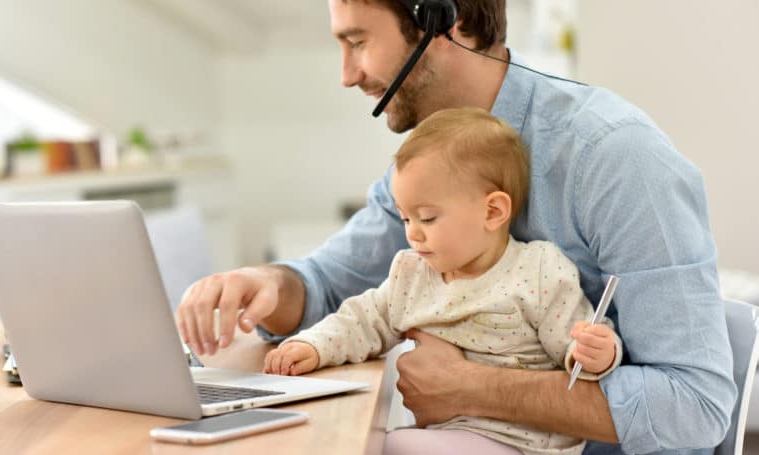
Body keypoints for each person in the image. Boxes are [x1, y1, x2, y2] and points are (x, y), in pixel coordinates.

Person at [176, 1, 736, 453]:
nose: (347, 76)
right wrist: (268, 284)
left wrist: (474, 389)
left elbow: (697, 408)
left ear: (447, 20)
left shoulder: (615, 157)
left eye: (357, 42)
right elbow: (330, 283)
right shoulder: (436, 164)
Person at [264, 107, 623, 455]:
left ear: (493, 211)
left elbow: (578, 344)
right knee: (360, 439)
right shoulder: (412, 274)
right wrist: (313, 346)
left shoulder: (539, 271)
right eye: (405, 220)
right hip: (445, 435)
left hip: (521, 443)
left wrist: (596, 353)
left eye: (427, 218)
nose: (413, 235)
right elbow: (362, 319)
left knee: (376, 447)